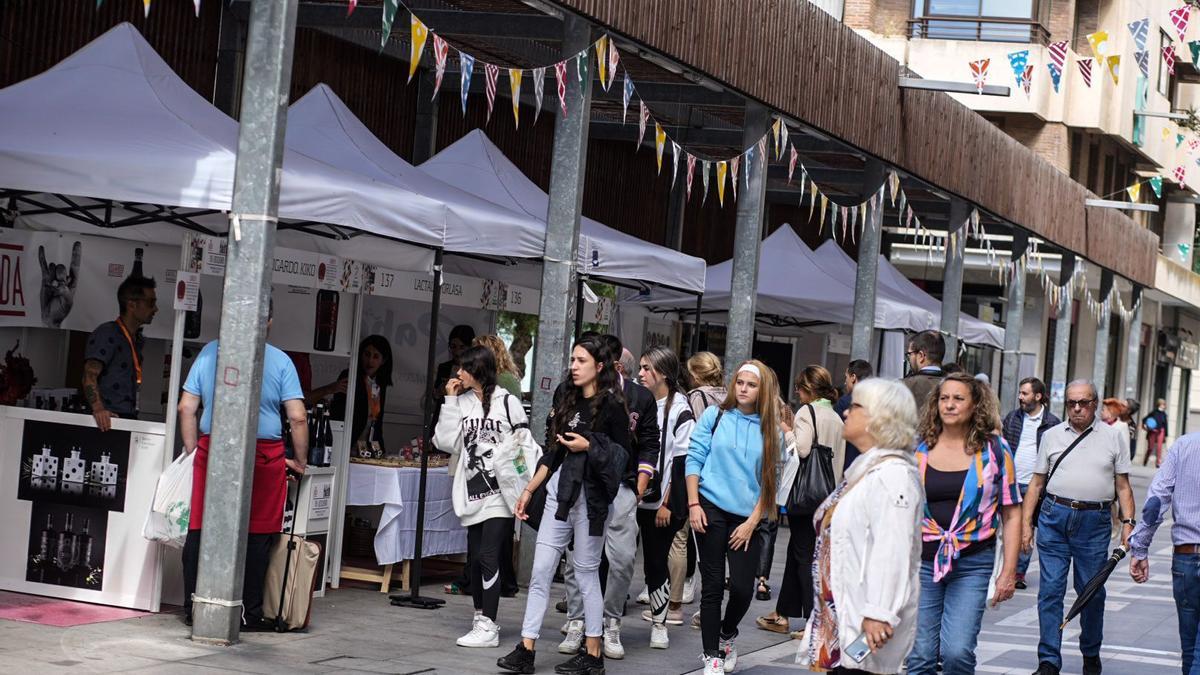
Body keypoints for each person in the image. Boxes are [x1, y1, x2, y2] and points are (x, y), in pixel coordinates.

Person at [496, 336, 630, 675]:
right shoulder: (564, 396)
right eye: (572, 359)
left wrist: (589, 445)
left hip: (591, 498)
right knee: (541, 570)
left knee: (586, 573)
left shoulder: (613, 405)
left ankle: (594, 651)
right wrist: (528, 490)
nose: (573, 365)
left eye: (581, 360)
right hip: (559, 494)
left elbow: (621, 457)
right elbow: (551, 450)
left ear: (599, 367)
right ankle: (526, 647)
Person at [178, 296, 307, 631]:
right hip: (264, 455)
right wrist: (300, 460)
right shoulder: (279, 362)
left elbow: (186, 408)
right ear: (269, 322)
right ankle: (247, 611)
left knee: (201, 528)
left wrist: (195, 452)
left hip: (213, 448)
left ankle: (194, 604)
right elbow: (297, 417)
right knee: (257, 533)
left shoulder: (209, 352)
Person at [794, 378, 923, 675]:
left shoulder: (894, 476)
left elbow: (893, 552)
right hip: (847, 619)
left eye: (855, 406)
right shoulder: (867, 470)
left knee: (859, 669)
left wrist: (879, 613)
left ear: (880, 418)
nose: (845, 412)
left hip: (867, 625)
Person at [906, 373, 1022, 675]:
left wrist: (1009, 571)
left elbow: (1011, 512)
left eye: (958, 398)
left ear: (975, 406)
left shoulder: (995, 450)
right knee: (920, 656)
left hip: (973, 562)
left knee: (957, 653)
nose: (949, 404)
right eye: (944, 398)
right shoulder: (918, 449)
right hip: (922, 562)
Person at [1021, 380, 1137, 675]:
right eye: (1071, 403)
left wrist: (1128, 523)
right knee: (1050, 591)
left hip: (1094, 522)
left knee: (1092, 592)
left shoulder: (1113, 437)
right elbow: (1036, 484)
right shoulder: (1051, 435)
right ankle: (1048, 660)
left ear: (1095, 404)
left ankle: (1090, 653)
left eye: (1083, 402)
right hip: (1054, 517)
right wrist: (1025, 525)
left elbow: (1123, 487)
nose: (1076, 408)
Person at [559, 335, 659, 660]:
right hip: (584, 483)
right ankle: (577, 621)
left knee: (623, 558)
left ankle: (611, 621)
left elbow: (648, 442)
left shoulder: (638, 397)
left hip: (623, 486)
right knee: (579, 557)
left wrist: (640, 485)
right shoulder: (574, 392)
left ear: (609, 364)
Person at [436, 345, 539, 649]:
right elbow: (445, 442)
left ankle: (489, 624)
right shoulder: (462, 402)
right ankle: (480, 618)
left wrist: (524, 488)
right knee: (476, 556)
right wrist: (451, 400)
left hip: (502, 494)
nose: (458, 373)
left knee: (490, 555)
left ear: (477, 369)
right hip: (471, 491)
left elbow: (525, 446)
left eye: (463, 368)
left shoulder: (507, 403)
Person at [686, 360, 784, 675]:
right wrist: (693, 504)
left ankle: (727, 633)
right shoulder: (715, 417)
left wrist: (751, 523)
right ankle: (711, 655)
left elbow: (771, 485)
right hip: (709, 507)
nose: (743, 389)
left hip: (747, 517)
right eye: (739, 382)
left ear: (762, 390)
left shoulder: (772, 431)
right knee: (713, 585)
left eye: (750, 384)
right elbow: (694, 458)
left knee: (743, 589)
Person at [757, 366, 846, 639]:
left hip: (806, 496)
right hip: (828, 496)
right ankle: (783, 612)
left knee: (804, 556)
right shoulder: (836, 417)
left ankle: (812, 621)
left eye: (799, 388)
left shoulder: (807, 413)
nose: (796, 392)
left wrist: (786, 428)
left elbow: (803, 449)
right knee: (801, 552)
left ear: (808, 389)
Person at [634, 346, 695, 649]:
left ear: (664, 374)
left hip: (661, 502)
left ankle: (660, 623)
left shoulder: (680, 409)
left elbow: (683, 462)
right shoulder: (641, 403)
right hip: (634, 496)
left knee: (656, 562)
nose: (641, 373)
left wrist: (669, 503)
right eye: (641, 367)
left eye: (647, 368)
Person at [1128, 432, 1200, 674]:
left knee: (1190, 648)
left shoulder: (1184, 445)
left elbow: (1156, 500)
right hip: (1186, 560)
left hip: (1186, 557)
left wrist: (1140, 547)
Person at [1000, 377, 1061, 589]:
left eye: (1024, 393)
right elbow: (1003, 446)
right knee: (1007, 526)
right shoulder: (1012, 418)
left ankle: (1018, 572)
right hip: (1011, 481)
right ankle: (1004, 567)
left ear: (1038, 396)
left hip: (1036, 485)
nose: (1020, 397)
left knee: (1027, 527)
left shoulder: (1052, 423)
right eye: (1020, 392)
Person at [83, 275, 158, 430]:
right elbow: (89, 375)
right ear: (131, 305)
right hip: (106, 421)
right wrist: (98, 409)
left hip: (126, 418)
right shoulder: (107, 333)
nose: (155, 309)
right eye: (151, 303)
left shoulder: (135, 339)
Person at [324, 335, 392, 448]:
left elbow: (377, 420)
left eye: (375, 356)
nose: (370, 361)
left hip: (369, 444)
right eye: (367, 354)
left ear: (383, 360)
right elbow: (339, 413)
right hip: (348, 442)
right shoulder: (349, 376)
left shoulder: (381, 383)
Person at [834, 359, 873, 471]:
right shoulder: (876, 401)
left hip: (849, 462)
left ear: (853, 377)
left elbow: (837, 433)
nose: (845, 382)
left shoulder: (845, 402)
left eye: (846, 377)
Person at [902, 330, 946, 417]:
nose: (909, 359)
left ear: (921, 356)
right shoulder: (956, 386)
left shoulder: (903, 386)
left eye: (909, 354)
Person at [1099, 398, 1131, 462]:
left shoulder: (1121, 426)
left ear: (1110, 413)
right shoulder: (1099, 425)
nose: (1101, 412)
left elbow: (1125, 449)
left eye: (1103, 410)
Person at [1143, 398, 1168, 467]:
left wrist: (1165, 435)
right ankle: (1145, 459)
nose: (1163, 406)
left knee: (1159, 448)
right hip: (1153, 431)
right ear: (1159, 405)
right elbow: (1145, 419)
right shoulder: (1154, 412)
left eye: (1164, 404)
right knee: (1150, 447)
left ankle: (1158, 463)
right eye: (1162, 404)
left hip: (1161, 431)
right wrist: (1146, 425)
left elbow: (1165, 425)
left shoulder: (1164, 414)